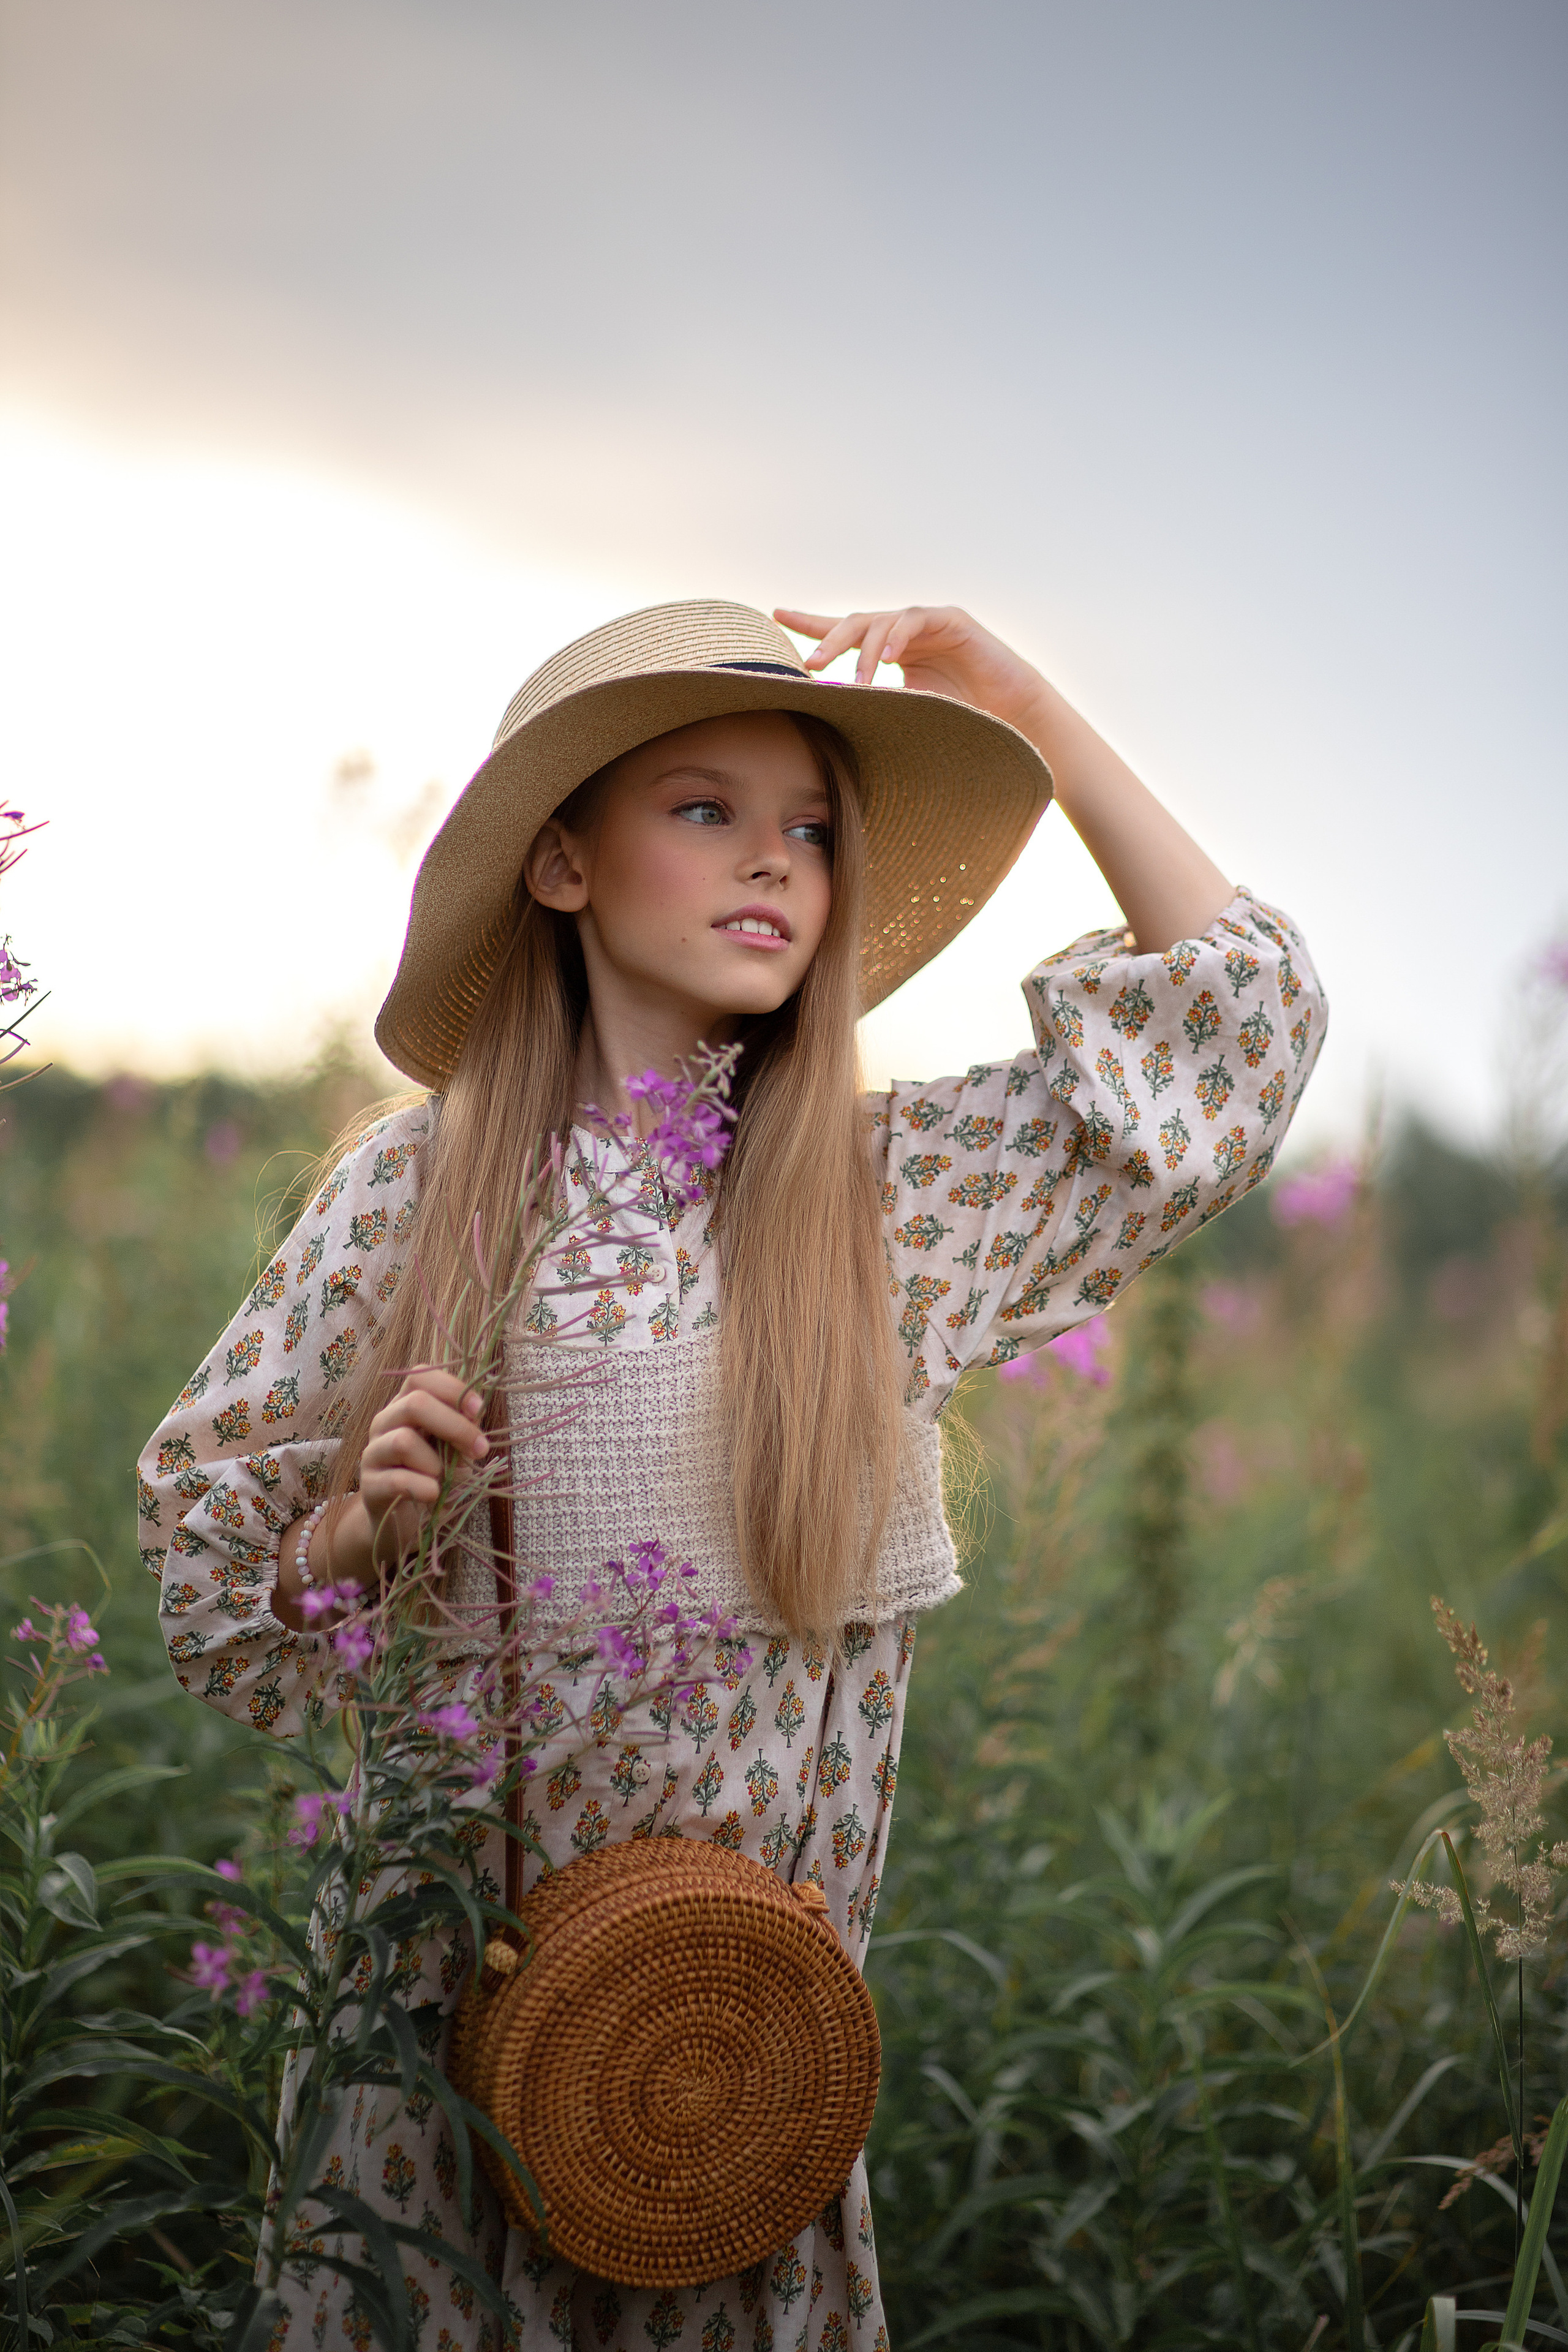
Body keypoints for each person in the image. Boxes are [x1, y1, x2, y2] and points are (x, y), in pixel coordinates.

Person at [138, 600, 1326, 2350]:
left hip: (744, 2089)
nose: (776, 857)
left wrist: (1018, 705)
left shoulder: (891, 1196)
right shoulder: (416, 1193)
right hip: (440, 2095)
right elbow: (220, 1591)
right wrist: (360, 1527)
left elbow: (1244, 1029)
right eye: (705, 808)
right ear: (560, 861)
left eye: (817, 827)